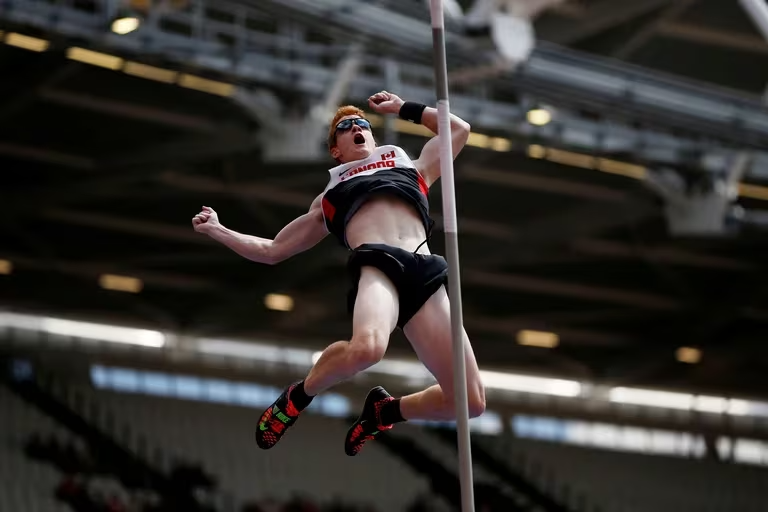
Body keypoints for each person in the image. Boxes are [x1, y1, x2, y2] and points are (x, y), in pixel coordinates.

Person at [191, 91, 486, 456]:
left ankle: (385, 412)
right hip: (379, 265)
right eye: (347, 127)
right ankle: (298, 396)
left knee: (470, 402)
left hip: (424, 271)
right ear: (336, 150)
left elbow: (457, 129)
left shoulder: (410, 166)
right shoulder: (330, 195)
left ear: (373, 136)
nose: (357, 127)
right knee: (368, 348)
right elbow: (273, 251)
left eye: (362, 124)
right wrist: (219, 230)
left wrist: (401, 108)